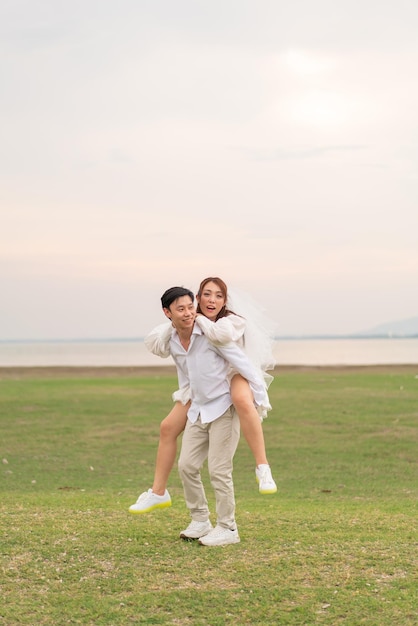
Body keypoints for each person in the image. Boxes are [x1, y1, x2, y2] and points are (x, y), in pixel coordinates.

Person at [129, 277, 277, 516]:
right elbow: (158, 345)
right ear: (198, 298)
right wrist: (178, 322)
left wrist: (261, 395)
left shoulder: (230, 321)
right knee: (168, 428)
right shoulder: (186, 327)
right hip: (204, 384)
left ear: (225, 301)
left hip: (235, 374)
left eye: (219, 296)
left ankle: (262, 466)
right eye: (207, 294)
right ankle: (158, 492)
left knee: (240, 401)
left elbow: (222, 338)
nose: (212, 300)